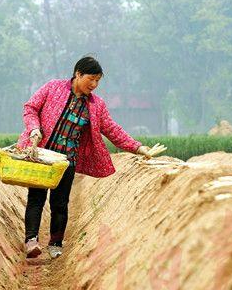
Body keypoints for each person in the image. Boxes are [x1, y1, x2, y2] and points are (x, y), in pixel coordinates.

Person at [17, 56, 158, 259]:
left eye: (98, 81)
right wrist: (34, 129)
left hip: (66, 161)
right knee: (36, 198)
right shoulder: (53, 87)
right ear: (78, 74)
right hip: (42, 155)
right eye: (91, 79)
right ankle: (31, 241)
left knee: (60, 203)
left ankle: (55, 244)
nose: (94, 85)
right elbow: (31, 108)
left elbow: (111, 129)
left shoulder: (96, 105)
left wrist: (137, 147)